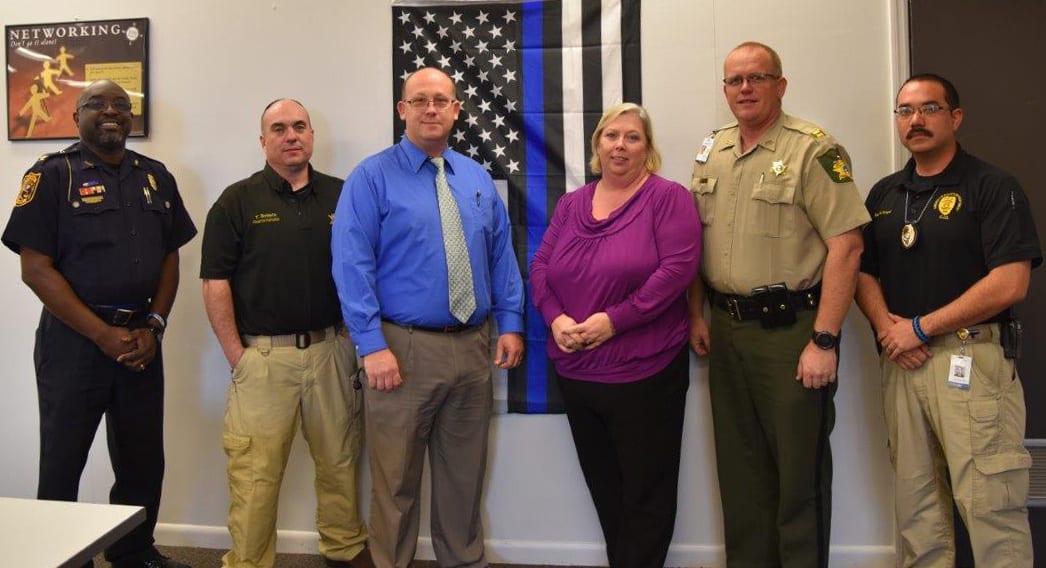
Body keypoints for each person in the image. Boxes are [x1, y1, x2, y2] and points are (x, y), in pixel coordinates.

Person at [331, 67, 525, 568]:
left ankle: (462, 560)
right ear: (403, 110)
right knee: (395, 482)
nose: (431, 109)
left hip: (474, 345)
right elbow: (352, 265)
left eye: (441, 100)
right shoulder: (371, 178)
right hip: (402, 349)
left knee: (464, 477)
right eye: (419, 100)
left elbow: (500, 255)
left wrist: (510, 321)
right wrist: (371, 345)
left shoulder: (477, 178)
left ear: (457, 110)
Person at [686, 42, 870, 567]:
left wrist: (825, 339)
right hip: (727, 330)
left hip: (793, 332)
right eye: (734, 80)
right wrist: (697, 311)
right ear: (724, 90)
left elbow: (848, 245)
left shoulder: (815, 149)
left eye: (757, 78)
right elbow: (694, 240)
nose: (744, 89)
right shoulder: (712, 150)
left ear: (780, 85)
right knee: (741, 474)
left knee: (798, 475)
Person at [1, 80, 196, 568]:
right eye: (97, 104)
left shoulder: (156, 177)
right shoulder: (51, 176)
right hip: (74, 345)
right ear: (76, 117)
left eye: (121, 106)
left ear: (130, 119)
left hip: (141, 341)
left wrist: (154, 325)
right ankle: (61, 555)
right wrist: (100, 334)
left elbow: (170, 256)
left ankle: (133, 549)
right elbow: (36, 268)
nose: (111, 112)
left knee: (143, 458)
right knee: (64, 459)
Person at [855, 74, 1040, 568]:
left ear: (955, 117)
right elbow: (862, 273)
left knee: (990, 508)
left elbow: (1010, 283)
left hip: (972, 364)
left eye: (929, 108)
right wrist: (888, 329)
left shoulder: (992, 186)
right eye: (905, 111)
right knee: (919, 514)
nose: (915, 120)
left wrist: (920, 327)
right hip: (902, 365)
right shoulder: (885, 194)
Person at [530, 103, 701, 567]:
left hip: (645, 373)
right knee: (605, 487)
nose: (620, 145)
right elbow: (541, 266)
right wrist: (556, 319)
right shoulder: (571, 204)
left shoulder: (668, 198)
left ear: (648, 148)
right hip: (578, 371)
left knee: (647, 492)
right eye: (611, 135)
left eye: (632, 137)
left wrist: (613, 321)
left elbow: (676, 272)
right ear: (596, 145)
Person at [200, 98, 367, 568]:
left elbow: (364, 270)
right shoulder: (236, 201)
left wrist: (354, 340)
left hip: (332, 352)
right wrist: (239, 355)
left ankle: (343, 550)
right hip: (264, 361)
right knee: (256, 476)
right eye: (279, 128)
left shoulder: (343, 195)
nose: (291, 135)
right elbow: (215, 283)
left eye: (299, 126)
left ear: (312, 135)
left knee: (341, 463)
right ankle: (249, 562)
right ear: (263, 141)